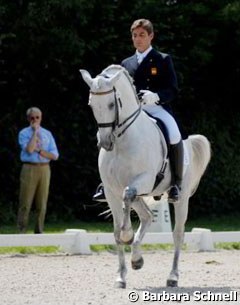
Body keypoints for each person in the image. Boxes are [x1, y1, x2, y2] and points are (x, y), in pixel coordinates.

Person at [93, 18, 183, 204]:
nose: (138, 39)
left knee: (174, 134)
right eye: (135, 35)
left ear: (151, 36)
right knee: (106, 134)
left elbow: (173, 89)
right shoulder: (126, 64)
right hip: (132, 113)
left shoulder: (163, 59)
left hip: (156, 108)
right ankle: (106, 183)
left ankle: (176, 183)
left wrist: (156, 96)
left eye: (142, 35)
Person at [17, 107, 59, 233]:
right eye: (32, 117)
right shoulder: (24, 133)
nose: (34, 120)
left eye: (37, 117)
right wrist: (34, 133)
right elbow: (29, 149)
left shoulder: (47, 134)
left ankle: (39, 231)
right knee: (25, 201)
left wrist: (40, 151)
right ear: (28, 119)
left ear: (41, 118)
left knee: (42, 203)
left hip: (44, 169)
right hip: (29, 167)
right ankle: (21, 231)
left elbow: (55, 155)